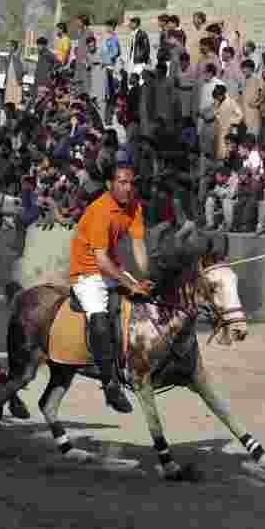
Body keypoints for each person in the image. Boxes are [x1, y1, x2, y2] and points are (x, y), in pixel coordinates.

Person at [68, 162, 153, 414]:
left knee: (147, 303)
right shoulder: (100, 211)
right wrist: (130, 284)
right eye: (122, 182)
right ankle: (109, 383)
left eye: (131, 182)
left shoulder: (135, 205)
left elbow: (138, 245)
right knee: (100, 319)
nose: (128, 188)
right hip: (87, 272)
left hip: (111, 267)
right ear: (110, 184)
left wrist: (145, 278)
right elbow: (101, 261)